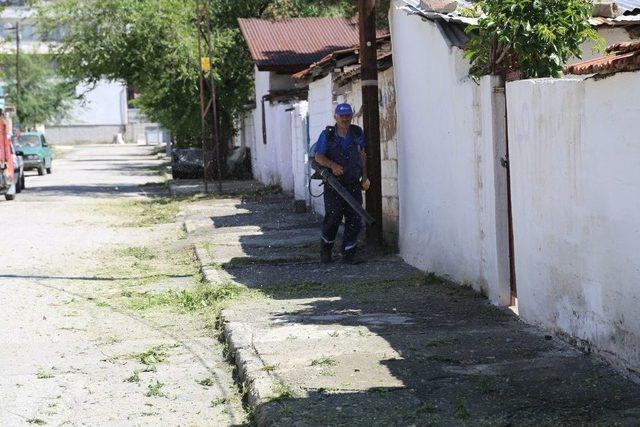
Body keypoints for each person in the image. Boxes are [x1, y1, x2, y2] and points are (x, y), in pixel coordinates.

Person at [313, 103, 370, 264]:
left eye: (347, 115)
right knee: (333, 217)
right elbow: (318, 156)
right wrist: (333, 166)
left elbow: (362, 156)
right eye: (341, 115)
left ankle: (349, 255)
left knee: (354, 219)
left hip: (353, 183)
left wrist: (364, 177)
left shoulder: (357, 132)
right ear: (335, 117)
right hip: (333, 185)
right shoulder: (328, 134)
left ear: (351, 116)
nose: (345, 118)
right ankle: (326, 252)